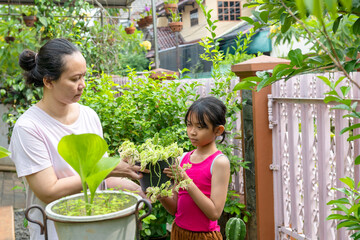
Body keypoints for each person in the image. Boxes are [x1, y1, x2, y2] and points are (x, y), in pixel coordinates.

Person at [9, 38, 145, 240]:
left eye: (84, 77)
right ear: (48, 81)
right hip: (57, 232)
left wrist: (134, 187)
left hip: (97, 226)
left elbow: (98, 181)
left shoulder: (89, 116)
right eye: (74, 79)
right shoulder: (28, 128)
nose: (82, 85)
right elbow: (49, 191)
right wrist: (107, 169)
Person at [159, 96, 230, 240]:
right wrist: (159, 192)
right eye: (189, 124)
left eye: (200, 127)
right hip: (179, 232)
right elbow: (174, 209)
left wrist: (185, 179)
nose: (192, 132)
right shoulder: (182, 159)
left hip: (204, 236)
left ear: (218, 130)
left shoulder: (219, 162)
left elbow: (214, 213)